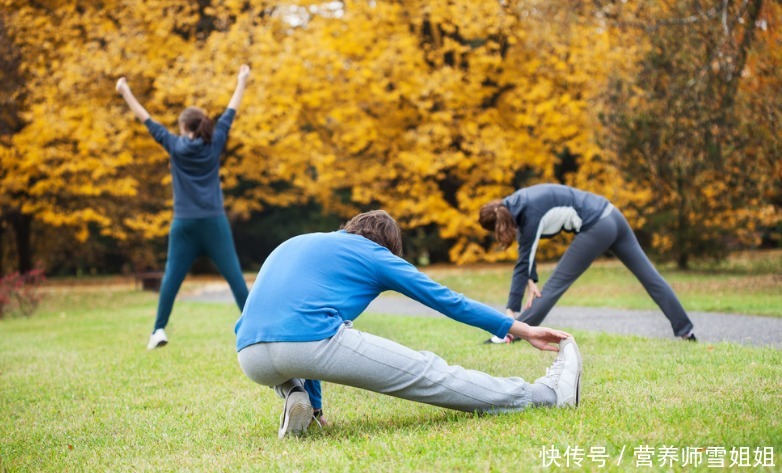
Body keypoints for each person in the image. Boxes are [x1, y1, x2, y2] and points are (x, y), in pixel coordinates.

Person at [234, 210, 583, 438]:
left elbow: (294, 313)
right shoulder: (374, 254)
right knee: (428, 372)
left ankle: (296, 396)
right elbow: (449, 301)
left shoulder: (300, 243)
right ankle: (546, 396)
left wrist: (317, 405)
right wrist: (523, 328)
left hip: (250, 357)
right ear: (388, 248)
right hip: (308, 342)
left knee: (304, 335)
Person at [116, 65, 251, 350]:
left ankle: (158, 330)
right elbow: (231, 110)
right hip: (214, 221)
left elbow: (145, 118)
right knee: (234, 277)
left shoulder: (174, 145)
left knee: (172, 278)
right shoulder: (215, 141)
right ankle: (255, 326)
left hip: (184, 223)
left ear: (183, 128)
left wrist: (125, 91)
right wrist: (241, 80)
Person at [478, 183, 696, 344]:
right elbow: (528, 251)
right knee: (651, 278)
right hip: (613, 215)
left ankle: (510, 335)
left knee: (553, 286)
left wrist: (509, 316)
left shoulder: (528, 216)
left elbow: (523, 260)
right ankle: (686, 331)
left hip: (596, 226)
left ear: (500, 225)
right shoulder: (518, 200)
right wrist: (531, 279)